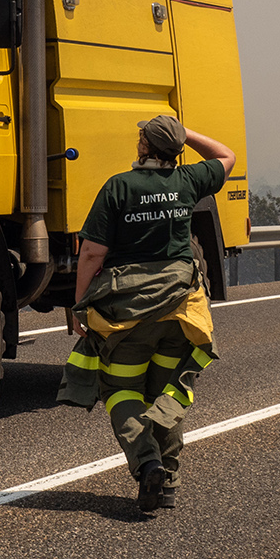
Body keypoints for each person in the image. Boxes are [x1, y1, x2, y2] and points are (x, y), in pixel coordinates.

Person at [57, 114, 235, 513]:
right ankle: (167, 483)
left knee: (121, 392)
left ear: (143, 147)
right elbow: (227, 155)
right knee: (163, 396)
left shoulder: (120, 187)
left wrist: (80, 308)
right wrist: (184, 134)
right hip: (179, 312)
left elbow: (92, 252)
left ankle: (147, 462)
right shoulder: (188, 181)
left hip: (127, 317)